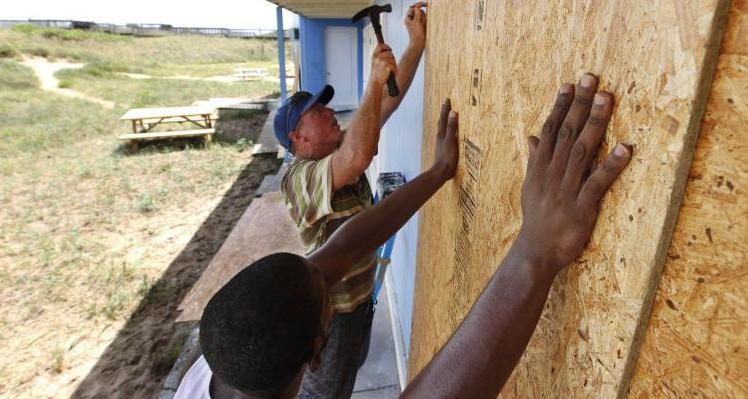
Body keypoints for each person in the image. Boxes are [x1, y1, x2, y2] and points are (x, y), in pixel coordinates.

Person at [173, 73, 632, 399]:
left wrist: (438, 173)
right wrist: (538, 248)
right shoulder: (301, 178)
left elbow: (345, 246)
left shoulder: (214, 373)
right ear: (316, 352)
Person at [273, 3, 428, 397]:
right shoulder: (298, 178)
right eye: (315, 111)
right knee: (324, 393)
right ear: (297, 138)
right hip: (332, 315)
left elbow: (384, 106)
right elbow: (359, 156)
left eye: (324, 104)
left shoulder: (336, 147)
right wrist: (373, 85)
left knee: (347, 379)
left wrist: (415, 45)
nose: (328, 110)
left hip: (359, 303)